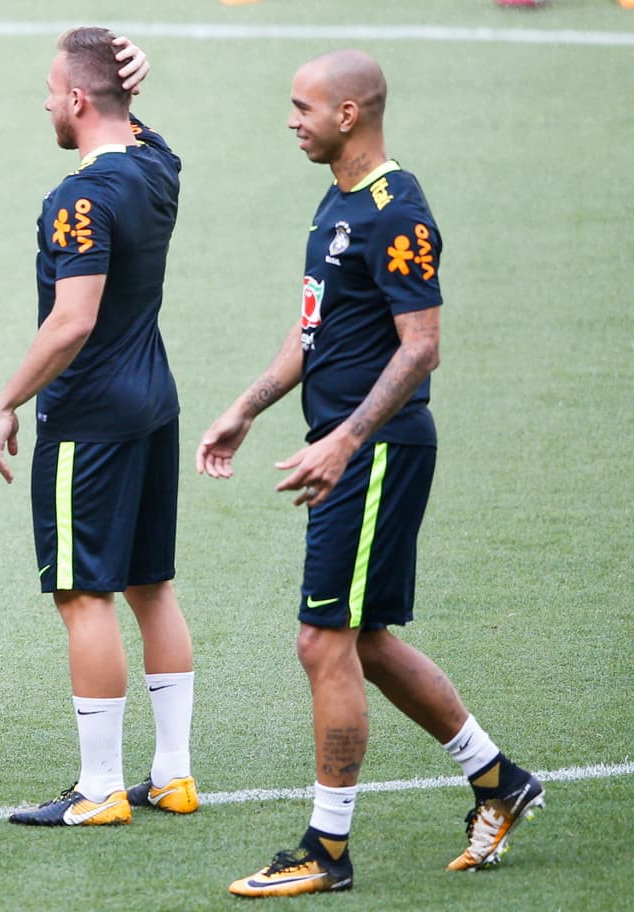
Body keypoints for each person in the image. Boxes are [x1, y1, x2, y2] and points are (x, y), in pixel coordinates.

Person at [197, 49, 543, 897]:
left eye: (303, 106)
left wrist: (346, 440)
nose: (292, 120)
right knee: (371, 646)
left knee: (323, 642)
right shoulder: (338, 199)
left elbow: (422, 346)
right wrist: (250, 404)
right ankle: (498, 779)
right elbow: (315, 328)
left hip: (377, 451)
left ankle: (327, 848)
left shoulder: (398, 209)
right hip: (353, 447)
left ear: (349, 114)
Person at [0, 27, 198, 828]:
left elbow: (71, 322)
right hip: (155, 403)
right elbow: (145, 129)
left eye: (51, 89)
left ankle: (102, 785)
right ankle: (173, 775)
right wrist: (138, 84)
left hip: (91, 421)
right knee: (153, 586)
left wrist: (7, 399)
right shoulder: (156, 168)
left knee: (84, 596)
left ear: (78, 100)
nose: (45, 100)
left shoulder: (79, 198)